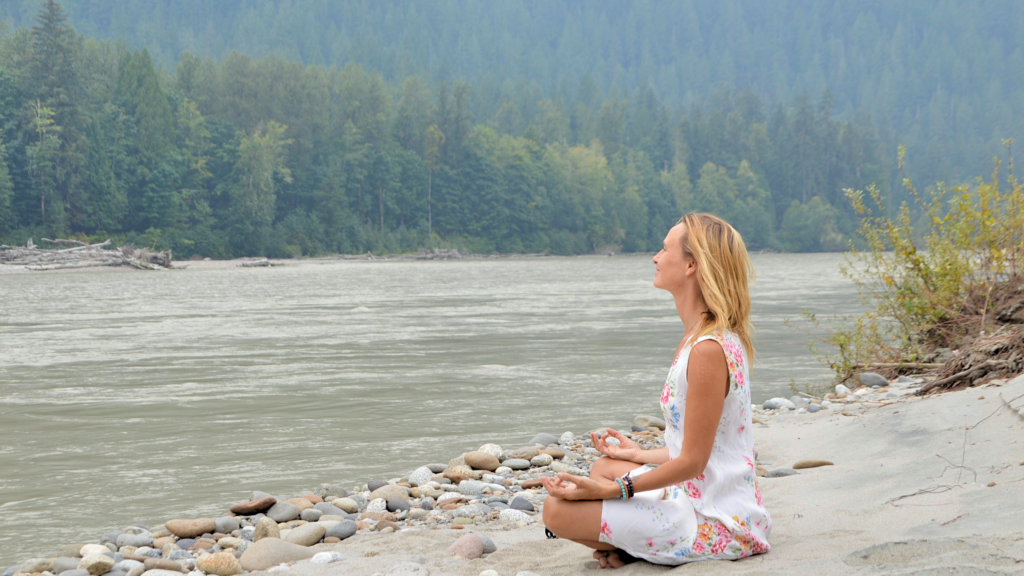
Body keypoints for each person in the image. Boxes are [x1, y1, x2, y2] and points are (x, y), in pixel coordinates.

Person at [541, 213, 772, 568]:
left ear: (692, 265)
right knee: (606, 464)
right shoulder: (704, 336)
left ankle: (633, 550)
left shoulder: (707, 350)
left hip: (716, 522)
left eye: (665, 249)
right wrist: (638, 456)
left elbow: (694, 461)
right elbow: (704, 449)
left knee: (556, 511)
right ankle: (629, 547)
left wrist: (612, 491)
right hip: (698, 493)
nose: (655, 257)